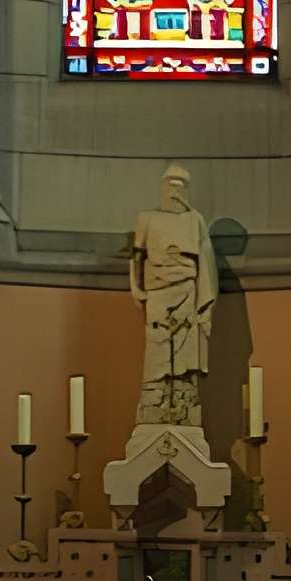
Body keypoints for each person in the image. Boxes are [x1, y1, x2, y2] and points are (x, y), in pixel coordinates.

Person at [129, 165, 220, 426]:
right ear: (162, 186)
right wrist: (135, 288)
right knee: (157, 347)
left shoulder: (195, 220)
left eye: (181, 184)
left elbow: (205, 261)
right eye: (170, 183)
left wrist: (204, 303)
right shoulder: (146, 218)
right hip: (157, 291)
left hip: (187, 290)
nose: (175, 189)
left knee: (184, 353)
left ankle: (182, 401)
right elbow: (136, 256)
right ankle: (155, 400)